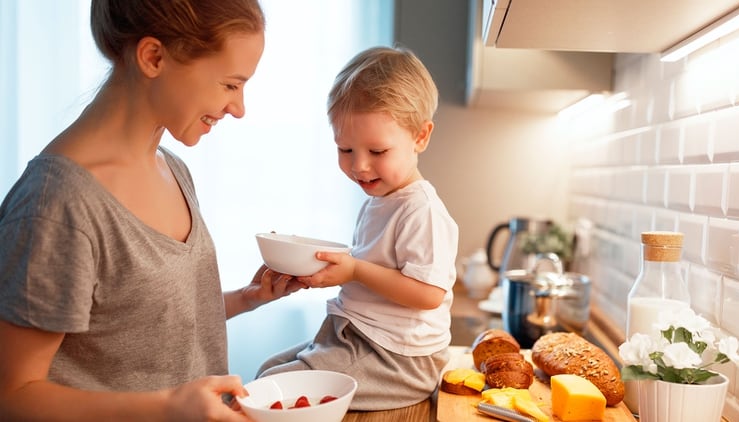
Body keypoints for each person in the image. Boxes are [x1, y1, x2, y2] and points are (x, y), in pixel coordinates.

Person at [0, 1, 306, 420]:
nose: (239, 108)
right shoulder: (57, 204)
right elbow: (13, 394)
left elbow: (136, 323)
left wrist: (246, 299)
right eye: (230, 85)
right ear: (154, 57)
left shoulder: (172, 168)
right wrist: (165, 408)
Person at [256, 45, 459, 411]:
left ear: (421, 137)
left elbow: (429, 294)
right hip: (361, 338)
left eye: (377, 152)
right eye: (345, 149)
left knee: (273, 387)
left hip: (397, 359)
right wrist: (323, 269)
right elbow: (370, 273)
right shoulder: (378, 201)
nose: (359, 166)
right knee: (268, 371)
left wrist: (355, 270)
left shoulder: (421, 209)